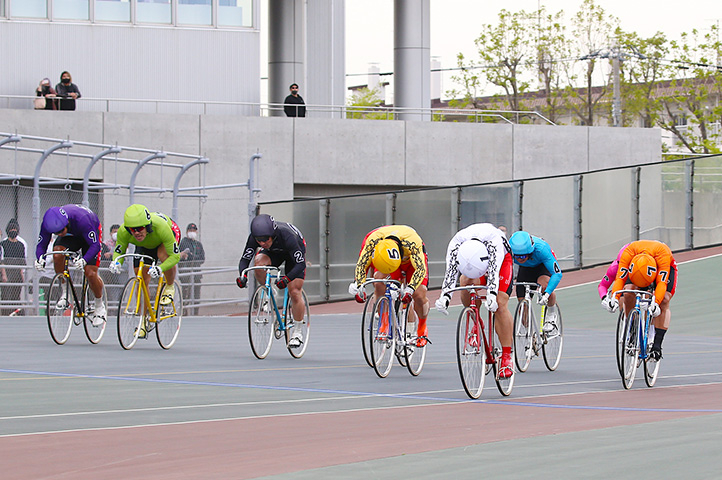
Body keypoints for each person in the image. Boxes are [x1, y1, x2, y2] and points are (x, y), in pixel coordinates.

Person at [435, 223, 515, 378]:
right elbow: (451, 272)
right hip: (472, 260)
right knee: (465, 282)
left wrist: (491, 294)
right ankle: (476, 320)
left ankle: (506, 357)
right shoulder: (456, 244)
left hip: (500, 261)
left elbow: (493, 272)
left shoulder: (494, 243)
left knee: (500, 303)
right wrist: (445, 297)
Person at [348, 225, 431, 347]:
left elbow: (420, 269)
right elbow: (362, 265)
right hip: (385, 260)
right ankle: (384, 320)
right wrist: (359, 285)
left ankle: (422, 326)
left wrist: (410, 288)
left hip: (411, 263)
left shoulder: (412, 241)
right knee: (379, 281)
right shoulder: (372, 240)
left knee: (419, 294)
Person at [236, 214, 307, 348]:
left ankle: (297, 332)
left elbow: (300, 265)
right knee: (258, 263)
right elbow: (245, 259)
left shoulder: (288, 236)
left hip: (293, 251)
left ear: (272, 234)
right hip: (274, 252)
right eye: (259, 240)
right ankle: (269, 292)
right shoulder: (255, 238)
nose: (262, 243)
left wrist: (286, 279)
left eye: (265, 239)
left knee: (295, 291)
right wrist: (242, 276)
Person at [110, 205, 181, 333]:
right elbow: (119, 252)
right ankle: (143, 319)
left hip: (164, 237)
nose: (136, 232)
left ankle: (170, 286)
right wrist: (116, 262)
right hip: (144, 244)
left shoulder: (161, 227)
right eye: (133, 230)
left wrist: (160, 269)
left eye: (140, 228)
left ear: (147, 226)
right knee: (141, 278)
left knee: (163, 255)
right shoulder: (123, 232)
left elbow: (175, 256)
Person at [34, 205, 106, 326]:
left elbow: (96, 246)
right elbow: (41, 245)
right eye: (55, 233)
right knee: (57, 254)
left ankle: (99, 306)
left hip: (89, 233)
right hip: (71, 237)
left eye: (61, 231)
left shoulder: (82, 220)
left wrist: (84, 260)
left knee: (90, 272)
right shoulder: (48, 224)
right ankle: (65, 293)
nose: (59, 234)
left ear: (66, 222)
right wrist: (41, 258)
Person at [605, 240, 677, 360]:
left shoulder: (662, 254)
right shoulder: (629, 252)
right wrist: (615, 298)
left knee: (664, 299)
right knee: (628, 291)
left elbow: (662, 283)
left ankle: (657, 344)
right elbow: (620, 279)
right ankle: (632, 326)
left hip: (663, 265)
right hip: (637, 267)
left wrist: (656, 302)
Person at [508, 230, 563, 330]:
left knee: (544, 284)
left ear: (530, 251)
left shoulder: (542, 249)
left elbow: (557, 274)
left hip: (542, 266)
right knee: (522, 306)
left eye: (523, 256)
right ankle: (531, 335)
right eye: (516, 256)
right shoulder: (507, 250)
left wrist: (546, 294)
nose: (520, 259)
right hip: (525, 269)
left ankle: (551, 315)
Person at [179, 222, 205, 315]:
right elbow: (186, 256)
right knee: (186, 295)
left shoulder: (198, 244)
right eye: (190, 230)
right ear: (187, 232)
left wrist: (192, 256)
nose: (192, 232)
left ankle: (195, 313)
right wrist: (192, 256)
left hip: (197, 274)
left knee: (196, 296)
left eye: (194, 230)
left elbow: (202, 258)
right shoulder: (183, 242)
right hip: (186, 274)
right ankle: (184, 313)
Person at [1, 219, 26, 315]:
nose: (13, 231)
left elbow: (22, 262)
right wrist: (4, 275)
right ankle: (5, 314)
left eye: (15, 229)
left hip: (16, 274)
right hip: (7, 273)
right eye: (11, 230)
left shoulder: (20, 245)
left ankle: (15, 314)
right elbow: (2, 261)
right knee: (6, 296)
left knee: (16, 296)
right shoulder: (3, 244)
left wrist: (21, 275)